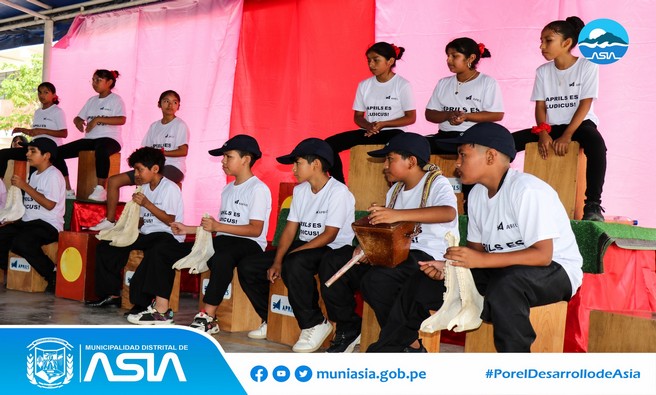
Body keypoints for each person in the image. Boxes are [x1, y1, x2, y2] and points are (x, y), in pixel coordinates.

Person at [402, 122, 582, 352]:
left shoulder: (526, 190)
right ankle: (402, 348)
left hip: (557, 270)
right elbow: (476, 254)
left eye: (463, 155)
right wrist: (450, 266)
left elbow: (543, 256)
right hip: (503, 269)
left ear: (490, 156)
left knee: (506, 285)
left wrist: (480, 262)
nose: (457, 163)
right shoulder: (476, 194)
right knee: (422, 281)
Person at [238, 138, 355, 353]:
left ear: (316, 164)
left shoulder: (338, 192)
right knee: (249, 265)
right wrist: (278, 259)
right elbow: (290, 229)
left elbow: (329, 235)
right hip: (306, 246)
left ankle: (314, 323)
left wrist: (291, 256)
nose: (293, 169)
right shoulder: (301, 191)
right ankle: (270, 317)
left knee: (295, 262)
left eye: (297, 163)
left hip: (334, 248)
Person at [352, 132, 457, 352]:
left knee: (378, 280)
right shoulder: (395, 189)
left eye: (391, 159)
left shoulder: (438, 183)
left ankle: (390, 347)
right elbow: (389, 229)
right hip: (403, 254)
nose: (385, 165)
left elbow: (448, 212)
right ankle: (409, 343)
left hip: (430, 255)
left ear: (411, 161)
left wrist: (397, 214)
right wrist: (366, 248)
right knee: (369, 280)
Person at [161, 135, 271, 332]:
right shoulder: (228, 188)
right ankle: (160, 310)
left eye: (228, 157)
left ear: (245, 159)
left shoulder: (258, 189)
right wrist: (189, 229)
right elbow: (220, 225)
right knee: (168, 249)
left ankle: (208, 317)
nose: (223, 161)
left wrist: (217, 227)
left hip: (249, 244)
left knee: (222, 257)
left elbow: (255, 229)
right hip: (224, 239)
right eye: (223, 157)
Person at [512, 17, 606, 221]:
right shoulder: (543, 71)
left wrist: (567, 136)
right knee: (506, 143)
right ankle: (502, 196)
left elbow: (585, 104)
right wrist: (543, 133)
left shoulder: (588, 66)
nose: (541, 46)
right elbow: (540, 106)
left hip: (579, 125)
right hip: (550, 126)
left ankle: (592, 204)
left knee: (597, 144)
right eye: (541, 40)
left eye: (548, 40)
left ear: (566, 43)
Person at [87, 147, 184, 326]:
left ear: (154, 169)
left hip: (167, 235)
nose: (136, 174)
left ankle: (142, 303)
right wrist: (125, 227)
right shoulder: (144, 187)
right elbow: (141, 220)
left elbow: (170, 220)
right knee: (108, 245)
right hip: (146, 233)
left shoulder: (170, 188)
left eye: (139, 169)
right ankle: (111, 295)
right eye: (135, 170)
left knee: (155, 253)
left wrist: (146, 203)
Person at [90, 90, 189, 231]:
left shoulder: (180, 125)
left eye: (175, 102)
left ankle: (138, 224)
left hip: (173, 167)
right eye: (166, 101)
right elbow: (145, 150)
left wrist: (161, 153)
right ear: (159, 104)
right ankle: (110, 221)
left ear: (178, 106)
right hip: (149, 167)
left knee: (144, 180)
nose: (170, 105)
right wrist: (139, 168)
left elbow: (183, 151)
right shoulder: (154, 126)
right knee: (113, 181)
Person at [325, 42, 416, 183]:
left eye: (376, 60)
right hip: (369, 131)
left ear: (390, 61)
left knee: (399, 147)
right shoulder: (364, 85)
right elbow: (358, 117)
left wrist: (384, 123)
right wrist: (369, 126)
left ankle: (396, 190)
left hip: (393, 132)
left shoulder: (402, 85)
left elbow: (410, 118)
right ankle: (340, 185)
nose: (371, 64)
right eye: (369, 61)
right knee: (328, 145)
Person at [0, 139, 65, 292]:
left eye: (33, 151)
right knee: (2, 235)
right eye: (28, 150)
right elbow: (28, 205)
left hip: (48, 224)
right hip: (28, 222)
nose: (27, 154)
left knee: (22, 242)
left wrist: (24, 186)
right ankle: (13, 272)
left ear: (46, 155)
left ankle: (52, 275)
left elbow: (50, 205)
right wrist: (12, 220)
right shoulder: (35, 174)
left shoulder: (54, 175)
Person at [56, 69, 126, 201]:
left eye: (98, 80)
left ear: (109, 82)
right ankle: (68, 189)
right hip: (90, 139)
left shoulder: (116, 100)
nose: (94, 83)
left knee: (102, 149)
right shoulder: (91, 101)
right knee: (56, 153)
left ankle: (100, 189)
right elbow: (78, 117)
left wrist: (98, 119)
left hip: (110, 138)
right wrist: (78, 121)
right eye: (93, 80)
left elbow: (121, 120)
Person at [425, 37, 504, 153]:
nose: (449, 60)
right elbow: (429, 114)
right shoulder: (443, 83)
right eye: (448, 56)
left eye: (454, 56)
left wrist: (466, 117)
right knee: (413, 145)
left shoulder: (487, 82)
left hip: (473, 138)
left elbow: (497, 115)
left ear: (471, 58)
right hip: (444, 137)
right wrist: (448, 115)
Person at [0, 82, 67, 179]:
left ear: (54, 95)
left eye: (46, 92)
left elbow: (64, 133)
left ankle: (68, 189)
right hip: (35, 148)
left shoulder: (57, 111)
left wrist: (42, 131)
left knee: (56, 164)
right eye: (39, 92)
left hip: (50, 150)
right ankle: (1, 184)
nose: (41, 95)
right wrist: (22, 130)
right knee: (3, 153)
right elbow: (34, 132)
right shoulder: (37, 112)